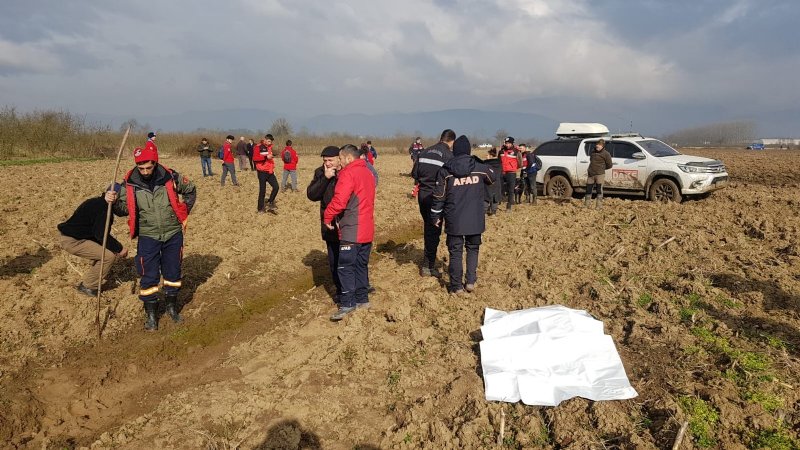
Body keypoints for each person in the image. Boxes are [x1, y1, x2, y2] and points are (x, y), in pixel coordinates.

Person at [108, 146, 196, 331]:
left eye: (149, 167)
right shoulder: (129, 184)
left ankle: (172, 306)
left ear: (155, 163)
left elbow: (190, 189)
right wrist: (112, 201)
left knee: (173, 271)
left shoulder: (170, 177)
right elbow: (123, 210)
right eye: (141, 168)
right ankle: (151, 314)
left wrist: (184, 210)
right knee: (148, 275)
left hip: (173, 233)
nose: (145, 172)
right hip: (148, 235)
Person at [431, 135, 495, 294]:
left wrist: (435, 216)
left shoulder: (445, 171)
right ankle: (471, 281)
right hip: (475, 219)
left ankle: (456, 286)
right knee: (473, 249)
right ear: (468, 151)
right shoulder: (480, 168)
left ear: (454, 151)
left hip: (454, 220)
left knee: (456, 252)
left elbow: (439, 197)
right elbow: (492, 177)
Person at [323, 144, 376, 321]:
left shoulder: (348, 173)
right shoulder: (368, 172)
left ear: (348, 158)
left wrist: (327, 216)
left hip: (352, 230)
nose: (339, 161)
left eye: (340, 157)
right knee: (361, 265)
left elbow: (339, 201)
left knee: (345, 267)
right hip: (367, 228)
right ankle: (363, 300)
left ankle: (347, 304)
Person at [58, 186, 128, 297]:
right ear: (114, 197)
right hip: (74, 240)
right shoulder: (103, 210)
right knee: (108, 257)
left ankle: (95, 276)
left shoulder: (97, 202)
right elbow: (101, 235)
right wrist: (119, 248)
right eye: (122, 202)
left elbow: (97, 234)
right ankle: (88, 286)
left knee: (105, 252)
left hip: (79, 237)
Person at [412, 129, 455, 277]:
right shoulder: (449, 156)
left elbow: (415, 174)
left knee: (429, 228)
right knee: (433, 230)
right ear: (451, 141)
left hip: (423, 195)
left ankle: (428, 263)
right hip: (437, 197)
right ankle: (428, 266)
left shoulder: (424, 152)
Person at [306, 146, 343, 302]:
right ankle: (341, 291)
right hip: (329, 224)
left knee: (349, 258)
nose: (327, 163)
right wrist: (325, 178)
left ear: (339, 159)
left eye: (331, 160)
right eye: (325, 160)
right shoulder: (320, 173)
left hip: (346, 223)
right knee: (334, 259)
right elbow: (312, 195)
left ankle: (359, 286)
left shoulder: (346, 172)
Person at [253, 134, 280, 213]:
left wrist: (272, 169)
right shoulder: (258, 147)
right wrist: (265, 157)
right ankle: (260, 209)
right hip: (262, 172)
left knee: (276, 187)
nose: (269, 143)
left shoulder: (269, 147)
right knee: (262, 190)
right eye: (268, 141)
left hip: (270, 171)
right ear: (265, 139)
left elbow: (269, 160)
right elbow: (255, 158)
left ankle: (270, 202)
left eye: (270, 141)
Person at [585, 138, 613, 209]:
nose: (598, 146)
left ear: (603, 146)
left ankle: (599, 206)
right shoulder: (593, 152)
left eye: (600, 145)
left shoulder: (606, 154)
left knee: (599, 190)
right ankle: (586, 205)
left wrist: (601, 168)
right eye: (597, 144)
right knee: (588, 189)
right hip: (591, 174)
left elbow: (609, 165)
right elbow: (591, 160)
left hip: (600, 175)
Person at [499, 136, 522, 211]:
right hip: (502, 172)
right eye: (506, 143)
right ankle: (499, 201)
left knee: (511, 190)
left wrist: (513, 167)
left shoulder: (516, 152)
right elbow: (498, 161)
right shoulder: (501, 151)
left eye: (509, 143)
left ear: (512, 144)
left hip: (511, 173)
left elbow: (520, 163)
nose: (507, 145)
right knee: (500, 188)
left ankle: (509, 206)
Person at [483, 148, 502, 215]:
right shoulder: (499, 163)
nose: (486, 156)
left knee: (485, 197)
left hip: (487, 182)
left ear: (491, 156)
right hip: (497, 182)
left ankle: (484, 212)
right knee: (495, 197)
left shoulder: (485, 164)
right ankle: (494, 212)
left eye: (487, 155)